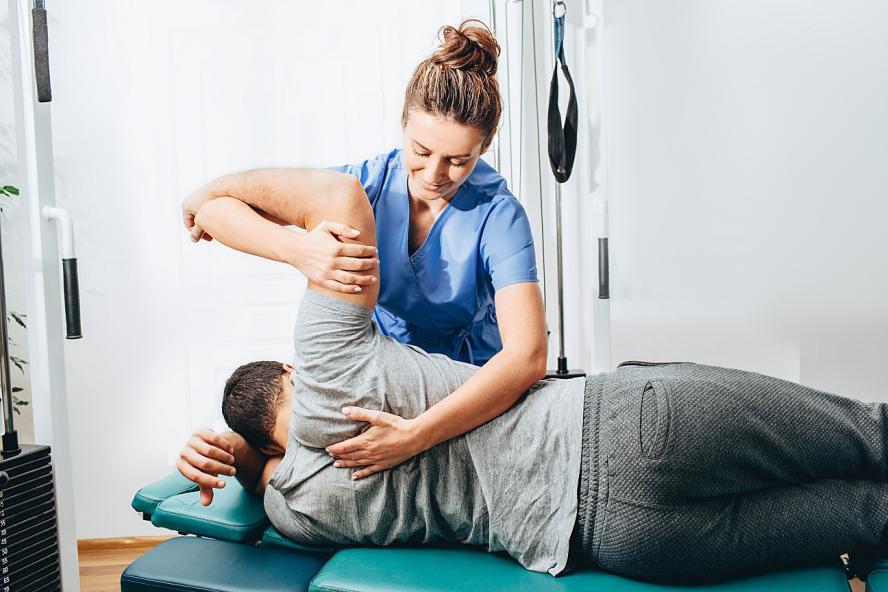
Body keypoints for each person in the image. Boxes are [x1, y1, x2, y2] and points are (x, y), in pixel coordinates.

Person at [178, 176, 888, 584]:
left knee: (871, 518)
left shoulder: (294, 506)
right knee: (870, 434)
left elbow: (259, 474)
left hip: (623, 540)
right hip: (627, 429)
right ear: (292, 368)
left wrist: (231, 453)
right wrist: (245, 214)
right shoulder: (331, 362)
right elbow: (336, 196)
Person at [179, 20, 548, 485]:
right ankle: (233, 453)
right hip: (385, 376)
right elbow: (215, 213)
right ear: (403, 124)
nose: (434, 172)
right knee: (324, 460)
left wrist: (415, 436)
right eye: (421, 149)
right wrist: (298, 249)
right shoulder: (366, 186)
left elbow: (529, 356)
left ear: (485, 147)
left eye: (459, 160)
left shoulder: (499, 215)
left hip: (468, 389)